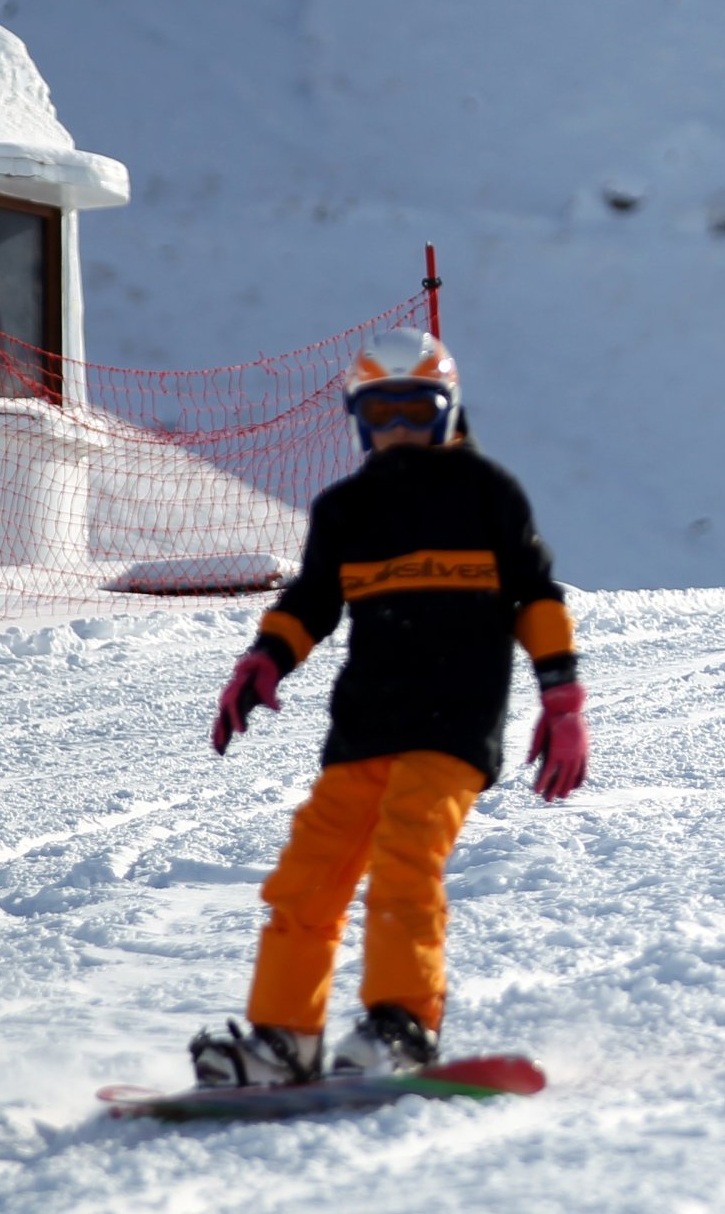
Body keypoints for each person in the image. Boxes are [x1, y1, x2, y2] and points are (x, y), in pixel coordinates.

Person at [194, 328, 587, 1086]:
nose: (399, 426)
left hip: (455, 722)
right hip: (364, 727)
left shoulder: (487, 493)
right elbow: (311, 601)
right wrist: (263, 658)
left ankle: (402, 1025)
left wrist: (561, 696)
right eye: (382, 411)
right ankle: (284, 1040)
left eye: (416, 407)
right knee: (307, 879)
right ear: (358, 418)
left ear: (448, 410)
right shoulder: (347, 508)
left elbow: (535, 594)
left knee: (408, 864)